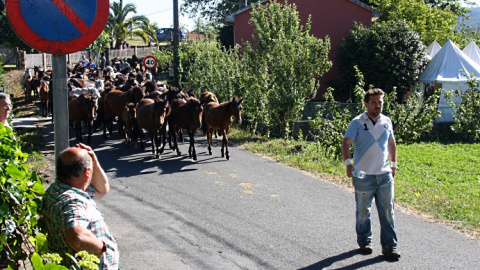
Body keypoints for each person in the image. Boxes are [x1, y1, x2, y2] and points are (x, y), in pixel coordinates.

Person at [341, 88, 400, 260]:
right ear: (366, 104)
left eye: (380, 102)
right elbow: (346, 143)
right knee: (363, 211)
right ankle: (365, 241)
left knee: (388, 211)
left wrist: (394, 165)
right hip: (363, 176)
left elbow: (391, 142)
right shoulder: (357, 122)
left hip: (384, 175)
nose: (377, 105)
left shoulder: (387, 121)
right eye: (374, 102)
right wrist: (348, 165)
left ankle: (390, 247)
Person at [41, 144, 119, 269]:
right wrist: (101, 248)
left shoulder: (57, 190)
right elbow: (78, 237)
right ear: (87, 172)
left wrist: (95, 163)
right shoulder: (73, 201)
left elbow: (102, 189)